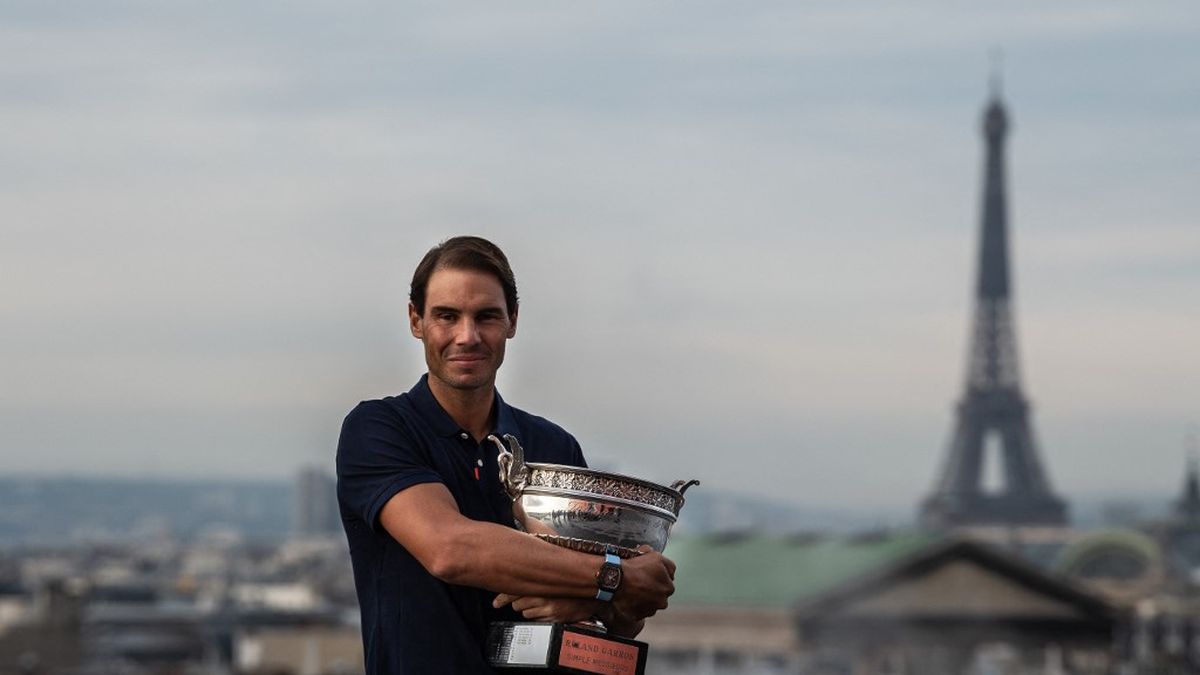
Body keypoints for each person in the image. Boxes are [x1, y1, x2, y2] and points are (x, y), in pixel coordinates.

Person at [336, 236, 677, 673]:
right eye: (447, 316)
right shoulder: (380, 429)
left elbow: (615, 623)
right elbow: (450, 549)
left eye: (486, 316)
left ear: (512, 321)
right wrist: (614, 576)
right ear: (415, 320)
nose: (467, 335)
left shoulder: (555, 447)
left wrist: (620, 594)